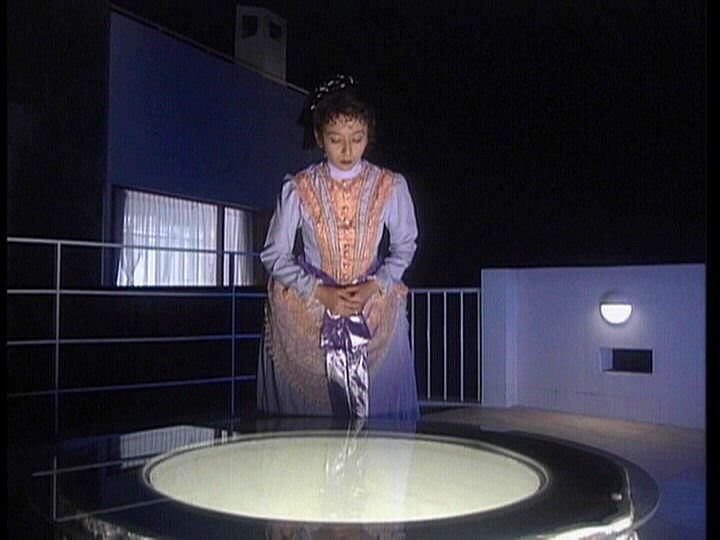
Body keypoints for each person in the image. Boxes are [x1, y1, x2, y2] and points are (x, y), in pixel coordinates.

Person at [257, 74, 420, 420]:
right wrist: (319, 292)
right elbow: (273, 254)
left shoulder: (388, 185)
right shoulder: (300, 187)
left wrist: (374, 285)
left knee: (378, 417)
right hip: (311, 307)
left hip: (373, 305)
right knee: (311, 422)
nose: (347, 150)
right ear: (319, 137)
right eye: (335, 139)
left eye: (356, 139)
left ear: (368, 136)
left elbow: (405, 244)